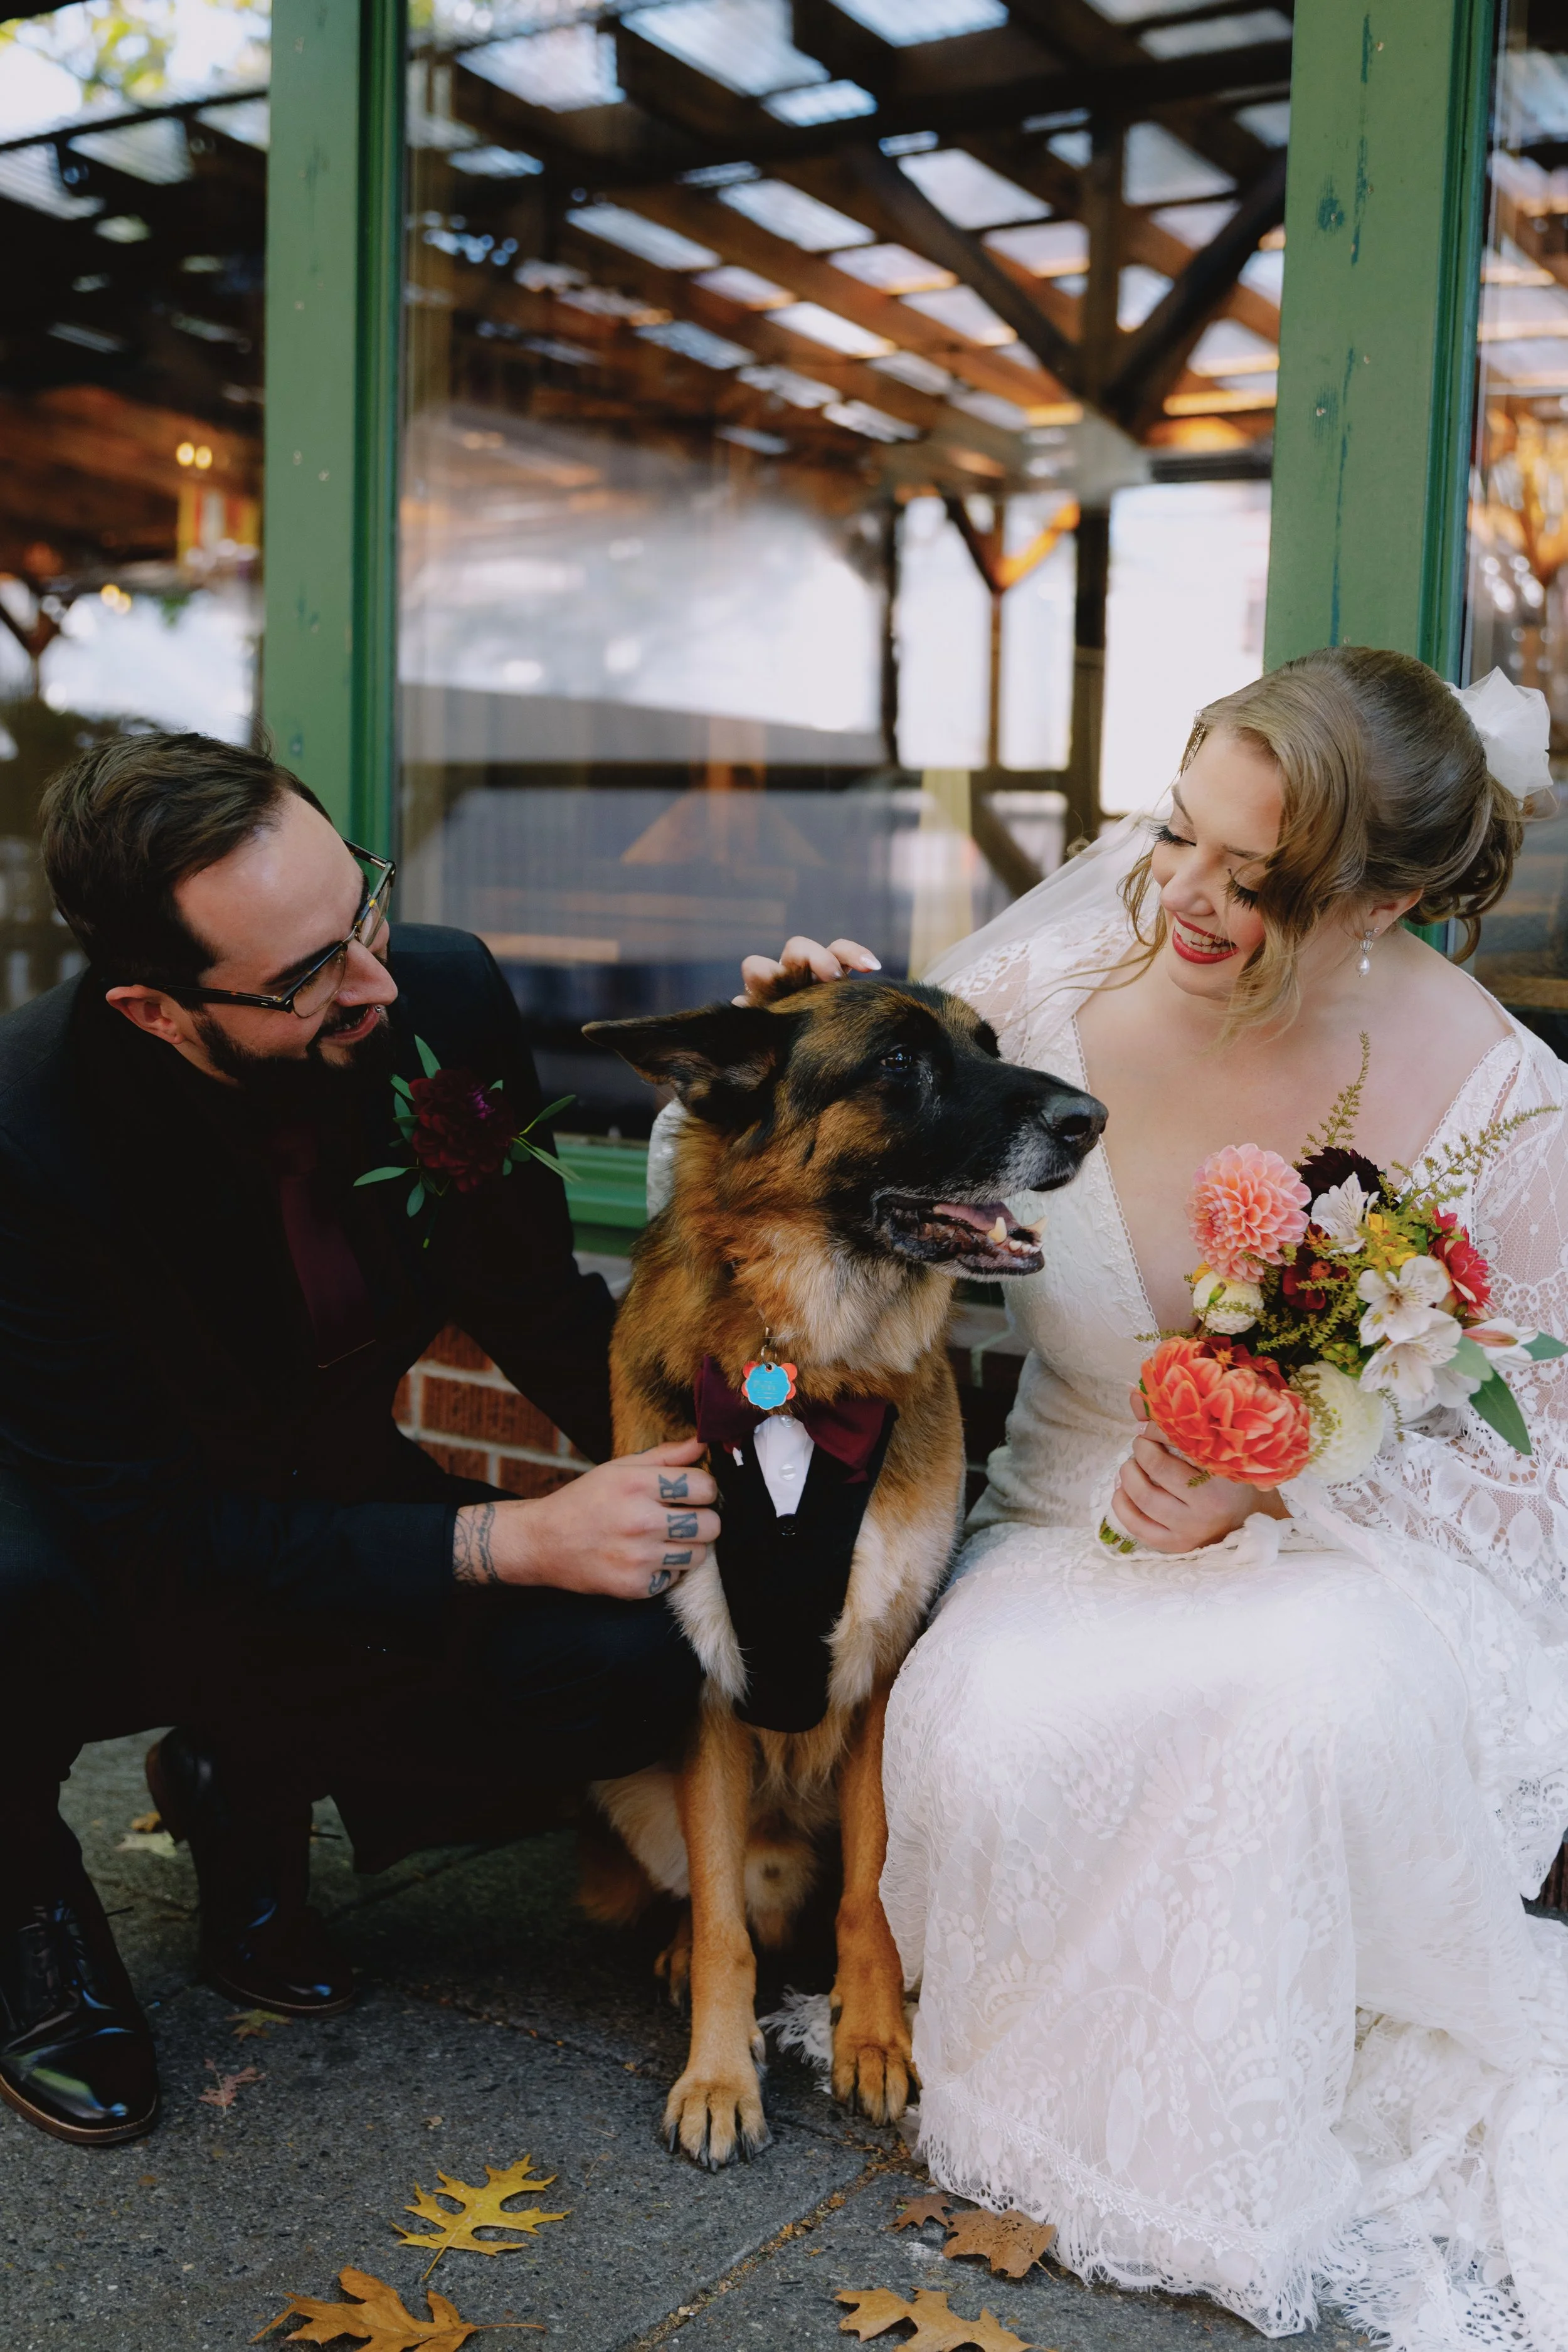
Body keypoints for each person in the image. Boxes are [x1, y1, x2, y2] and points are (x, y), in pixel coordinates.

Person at [752, 652, 1568, 2348]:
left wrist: (1287, 1481)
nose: (1182, 895)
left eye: (1253, 879)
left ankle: (1244, 2138)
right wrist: (806, 1029)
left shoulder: (1500, 1100)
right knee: (980, 1727)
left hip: (1348, 1560)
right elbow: (859, 1150)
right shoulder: (1046, 988)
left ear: (1389, 895)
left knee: (1302, 1710)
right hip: (1064, 1512)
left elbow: (1526, 1460)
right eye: (1172, 830)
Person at [0, 733, 744, 2149]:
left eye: (366, 910)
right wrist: (506, 1537)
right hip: (88, 1533)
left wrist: (729, 1492)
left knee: (639, 1663)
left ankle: (243, 1771)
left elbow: (531, 1299)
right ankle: (27, 1906)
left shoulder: (440, 992)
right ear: (159, 1012)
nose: (378, 984)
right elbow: (159, 1531)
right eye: (307, 978)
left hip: (323, 1487)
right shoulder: (26, 1134)